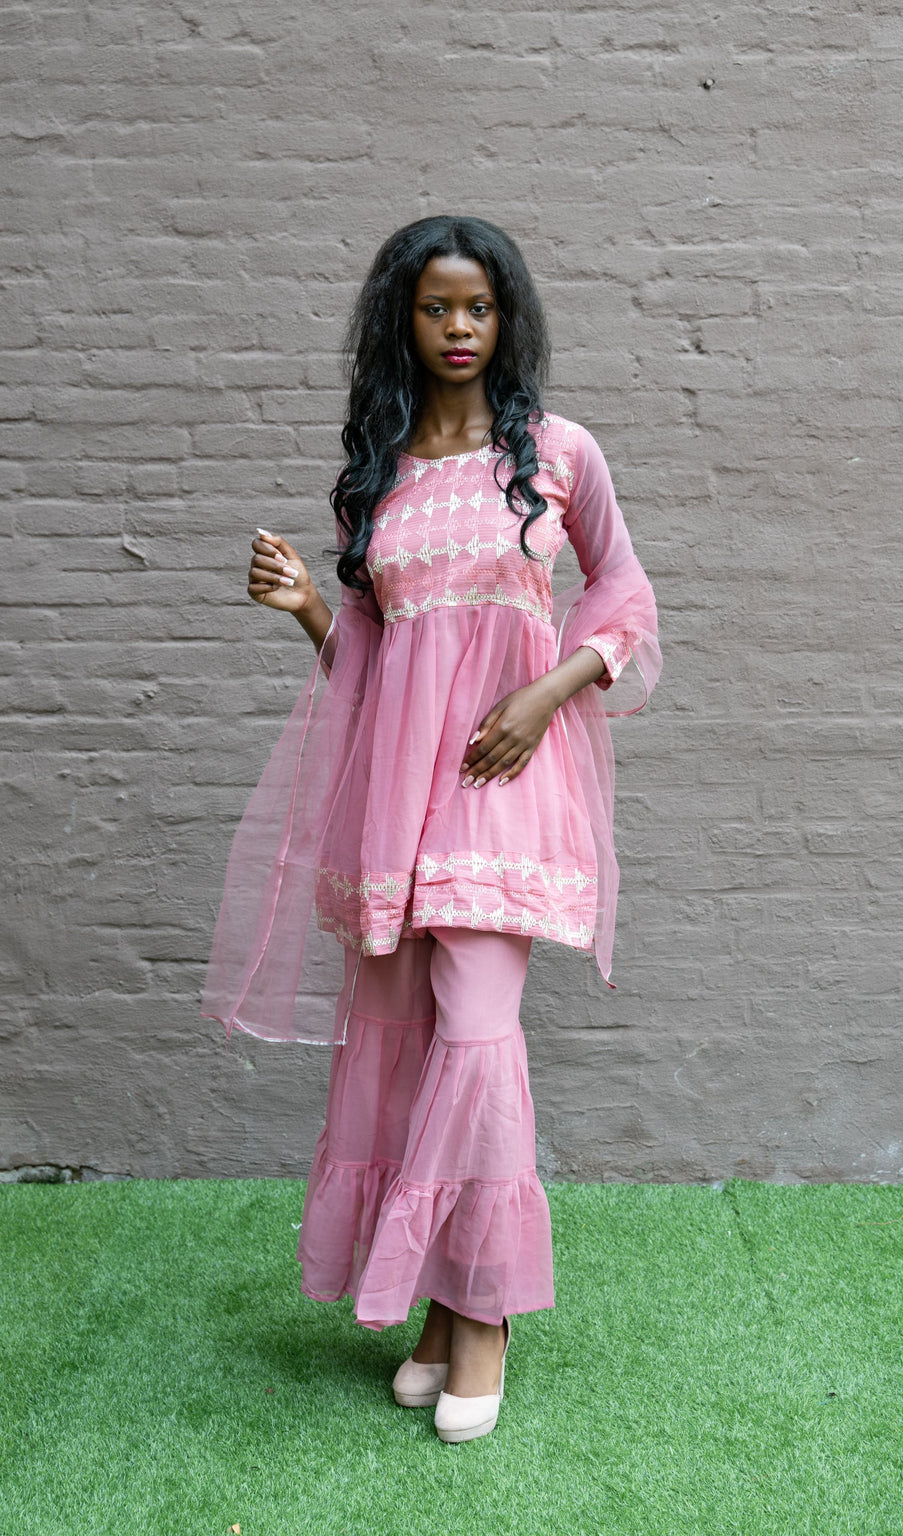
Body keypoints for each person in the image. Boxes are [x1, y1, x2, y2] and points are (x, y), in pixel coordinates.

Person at [201, 215, 660, 1443]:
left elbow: (624, 592)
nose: (459, 328)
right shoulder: (383, 473)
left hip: (506, 782)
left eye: (479, 308)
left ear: (506, 320)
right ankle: (442, 1312)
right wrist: (310, 605)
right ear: (401, 323)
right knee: (406, 1051)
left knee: (477, 1039)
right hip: (399, 799)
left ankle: (484, 1317)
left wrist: (546, 693)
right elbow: (370, 669)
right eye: (435, 308)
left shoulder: (557, 453)